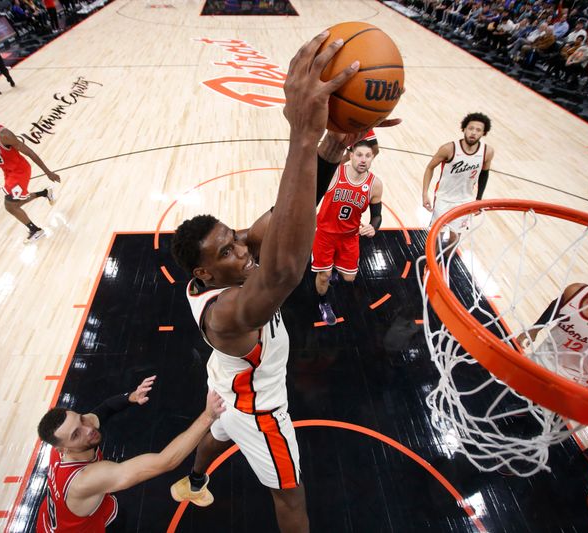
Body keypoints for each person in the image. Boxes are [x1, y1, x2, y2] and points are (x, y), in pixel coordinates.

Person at [167, 32, 370, 533]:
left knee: (217, 423)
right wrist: (300, 135)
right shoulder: (227, 316)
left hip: (224, 383)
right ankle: (198, 473)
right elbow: (283, 270)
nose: (243, 251)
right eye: (229, 252)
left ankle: (194, 480)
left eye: (236, 239)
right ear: (204, 274)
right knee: (291, 498)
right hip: (261, 408)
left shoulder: (223, 270)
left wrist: (327, 150)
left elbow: (282, 216)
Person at [35, 376, 226, 532]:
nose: (88, 429)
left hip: (57, 516)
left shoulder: (64, 442)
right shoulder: (88, 480)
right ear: (63, 449)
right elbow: (165, 462)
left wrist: (131, 397)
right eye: (76, 434)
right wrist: (208, 416)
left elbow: (104, 409)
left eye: (81, 419)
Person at [0, 105, 60, 243]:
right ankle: (45, 193)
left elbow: (29, 152)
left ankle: (36, 231)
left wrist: (48, 172)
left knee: (10, 205)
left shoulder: (4, 135)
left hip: (19, 171)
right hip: (7, 171)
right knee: (16, 202)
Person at [312, 139, 383, 326]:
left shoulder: (375, 184)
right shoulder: (336, 172)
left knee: (349, 277)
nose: (363, 160)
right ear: (351, 155)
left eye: (368, 156)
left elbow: (377, 216)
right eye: (359, 155)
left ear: (372, 158)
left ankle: (334, 269)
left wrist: (373, 227)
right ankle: (323, 303)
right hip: (325, 234)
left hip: (349, 237)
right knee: (324, 276)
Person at [422, 112, 494, 251]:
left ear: (483, 133)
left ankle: (446, 262)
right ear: (464, 129)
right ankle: (430, 264)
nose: (473, 132)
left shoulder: (487, 152)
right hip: (444, 198)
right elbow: (430, 168)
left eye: (478, 130)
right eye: (470, 128)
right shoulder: (449, 148)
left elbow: (484, 175)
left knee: (455, 237)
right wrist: (425, 193)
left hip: (465, 200)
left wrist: (478, 199)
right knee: (438, 235)